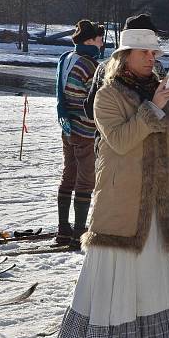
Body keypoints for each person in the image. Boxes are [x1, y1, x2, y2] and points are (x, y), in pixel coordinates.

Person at [52, 22, 169, 338]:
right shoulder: (107, 95)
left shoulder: (161, 90)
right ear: (125, 56)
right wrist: (154, 106)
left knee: (150, 278)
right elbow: (119, 141)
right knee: (104, 279)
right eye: (145, 53)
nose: (152, 59)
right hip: (119, 202)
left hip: (158, 202)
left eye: (155, 53)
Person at [55, 19, 104, 248]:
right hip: (85, 128)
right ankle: (78, 233)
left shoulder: (65, 59)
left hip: (67, 127)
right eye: (98, 39)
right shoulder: (90, 65)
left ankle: (63, 230)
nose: (102, 43)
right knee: (85, 181)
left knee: (68, 176)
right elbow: (95, 99)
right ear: (89, 41)